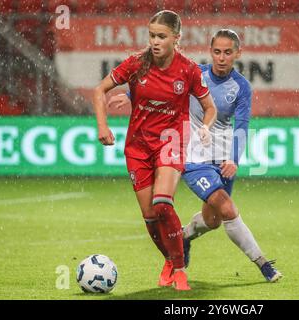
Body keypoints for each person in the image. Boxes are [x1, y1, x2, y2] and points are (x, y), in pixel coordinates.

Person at [110, 29, 282, 283]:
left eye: (227, 52)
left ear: (237, 54)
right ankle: (264, 264)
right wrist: (127, 95)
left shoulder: (242, 87)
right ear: (210, 51)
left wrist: (234, 158)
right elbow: (159, 86)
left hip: (222, 158)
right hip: (191, 155)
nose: (221, 58)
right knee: (228, 207)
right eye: (216, 52)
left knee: (213, 220)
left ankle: (185, 236)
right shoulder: (193, 73)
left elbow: (241, 126)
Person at [93, 10, 217, 291]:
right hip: (137, 145)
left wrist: (206, 127)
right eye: (151, 36)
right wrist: (103, 126)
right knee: (150, 215)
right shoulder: (137, 64)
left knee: (163, 203)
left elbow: (210, 107)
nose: (155, 41)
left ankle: (181, 269)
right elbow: (99, 90)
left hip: (172, 140)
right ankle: (171, 260)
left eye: (162, 36)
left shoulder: (189, 70)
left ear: (176, 38)